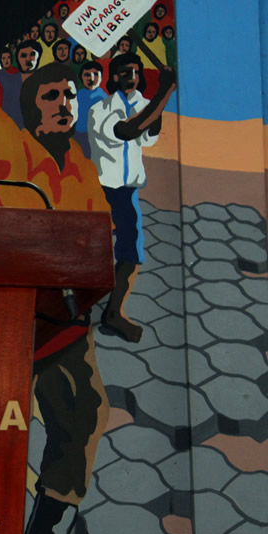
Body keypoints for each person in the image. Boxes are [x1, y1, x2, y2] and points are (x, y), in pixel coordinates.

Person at [0, 1, 111, 534]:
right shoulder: (11, 147)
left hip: (66, 324)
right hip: (7, 326)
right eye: (51, 96)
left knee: (87, 414)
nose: (64, 104)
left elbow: (98, 247)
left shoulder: (85, 168)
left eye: (70, 97)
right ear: (27, 105)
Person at [88, 53, 176, 343]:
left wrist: (158, 99)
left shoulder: (140, 104)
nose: (132, 78)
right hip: (102, 188)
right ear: (113, 77)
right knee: (93, 250)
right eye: (125, 73)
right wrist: (164, 93)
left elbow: (149, 134)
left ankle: (113, 312)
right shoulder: (101, 110)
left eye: (136, 72)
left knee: (130, 251)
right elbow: (127, 130)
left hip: (127, 189)